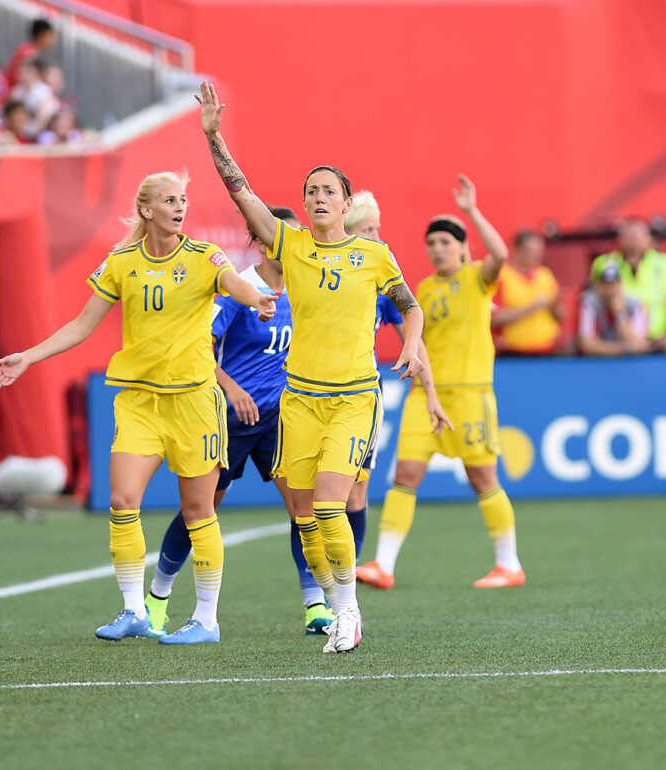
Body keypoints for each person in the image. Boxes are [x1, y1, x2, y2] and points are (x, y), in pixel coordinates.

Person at [197, 82, 448, 653]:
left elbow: (409, 307)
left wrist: (411, 344)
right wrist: (215, 139)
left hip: (355, 398)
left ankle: (349, 611)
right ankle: (334, 604)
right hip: (299, 401)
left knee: (333, 504)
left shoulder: (374, 254)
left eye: (327, 191)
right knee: (306, 520)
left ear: (345, 200)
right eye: (309, 190)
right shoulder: (289, 244)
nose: (316, 197)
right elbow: (242, 195)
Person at [0, 171, 276, 645]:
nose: (180, 207)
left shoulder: (205, 255)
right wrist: (29, 356)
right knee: (122, 502)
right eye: (169, 200)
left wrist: (258, 299)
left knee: (198, 509)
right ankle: (134, 611)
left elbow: (233, 283)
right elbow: (81, 325)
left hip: (194, 403)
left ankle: (206, 620)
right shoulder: (121, 262)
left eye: (183, 199)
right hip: (140, 401)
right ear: (147, 210)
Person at [146, 206, 337, 637]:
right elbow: (199, 346)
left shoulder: (305, 289)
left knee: (302, 509)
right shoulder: (240, 288)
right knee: (201, 510)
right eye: (282, 235)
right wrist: (231, 388)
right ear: (263, 240)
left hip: (279, 418)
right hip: (230, 419)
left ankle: (315, 607)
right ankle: (156, 599)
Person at [357, 175, 525, 591]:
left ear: (464, 247)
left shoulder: (477, 279)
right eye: (431, 243)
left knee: (482, 479)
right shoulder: (425, 290)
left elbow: (501, 253)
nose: (437, 249)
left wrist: (470, 210)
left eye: (446, 242)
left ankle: (510, 565)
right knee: (405, 476)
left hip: (470, 395)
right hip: (424, 394)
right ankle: (384, 565)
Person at [342, 189, 405, 559]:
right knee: (314, 497)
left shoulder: (381, 282)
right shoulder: (319, 274)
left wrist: (427, 385)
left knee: (356, 490)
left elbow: (410, 317)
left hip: (364, 392)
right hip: (313, 390)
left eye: (378, 228)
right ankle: (318, 591)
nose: (378, 238)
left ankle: (345, 588)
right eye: (369, 229)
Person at [590, 218, 666, 351]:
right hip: (616, 344)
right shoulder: (606, 264)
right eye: (628, 234)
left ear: (649, 240)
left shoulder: (665, 264)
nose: (633, 239)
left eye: (638, 235)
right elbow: (590, 301)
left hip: (656, 343)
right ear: (619, 239)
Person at [492, 230, 565, 355]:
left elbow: (561, 315)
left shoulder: (545, 275)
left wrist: (553, 305)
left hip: (548, 351)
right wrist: (532, 307)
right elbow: (494, 318)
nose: (535, 256)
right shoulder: (502, 276)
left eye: (538, 251)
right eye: (530, 251)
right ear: (516, 250)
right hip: (512, 353)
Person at [577, 261, 649, 356]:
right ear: (597, 285)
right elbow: (586, 345)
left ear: (621, 284)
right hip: (597, 363)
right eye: (605, 284)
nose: (610, 289)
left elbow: (640, 345)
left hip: (628, 364)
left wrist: (620, 314)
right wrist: (624, 348)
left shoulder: (634, 304)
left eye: (614, 283)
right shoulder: (590, 303)